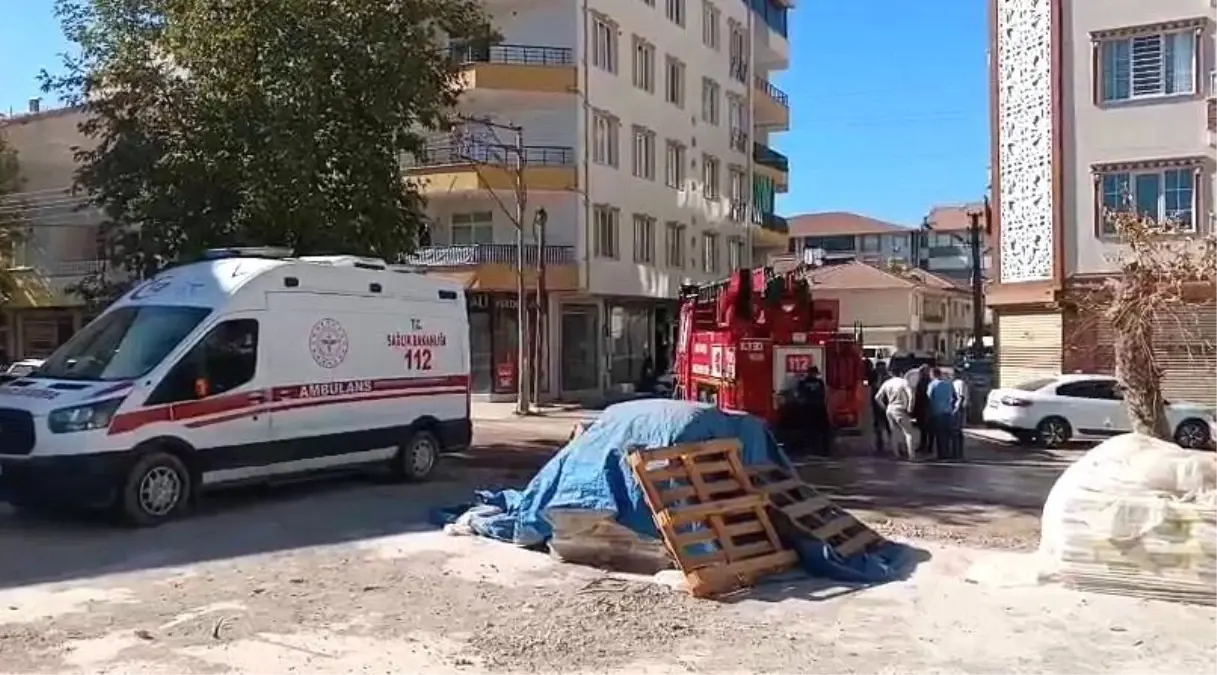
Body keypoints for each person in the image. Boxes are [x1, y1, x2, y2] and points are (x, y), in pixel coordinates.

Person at [875, 369, 917, 459]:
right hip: (901, 408)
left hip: (890, 409)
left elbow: (877, 397)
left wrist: (885, 407)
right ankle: (911, 455)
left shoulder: (887, 383)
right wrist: (910, 408)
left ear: (891, 373)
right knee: (908, 432)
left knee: (894, 433)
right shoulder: (904, 382)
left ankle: (896, 454)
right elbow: (911, 395)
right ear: (901, 373)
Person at [797, 365, 832, 456]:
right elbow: (823, 394)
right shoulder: (819, 382)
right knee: (822, 430)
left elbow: (800, 395)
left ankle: (813, 449)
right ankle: (823, 450)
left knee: (810, 430)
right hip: (818, 408)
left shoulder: (803, 383)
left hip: (810, 409)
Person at [926, 368, 956, 460]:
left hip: (937, 412)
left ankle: (941, 455)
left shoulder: (933, 384)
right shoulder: (948, 384)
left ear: (933, 374)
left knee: (939, 434)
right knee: (947, 434)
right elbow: (953, 397)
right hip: (948, 411)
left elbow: (929, 398)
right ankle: (948, 453)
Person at [909, 364, 932, 457]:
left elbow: (920, 395)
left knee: (925, 429)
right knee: (925, 429)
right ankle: (926, 446)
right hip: (924, 408)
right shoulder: (928, 381)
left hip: (923, 408)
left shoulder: (923, 381)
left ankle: (926, 446)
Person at [869, 361, 890, 454]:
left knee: (888, 425)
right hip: (878, 405)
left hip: (885, 405)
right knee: (879, 426)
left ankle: (893, 444)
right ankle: (880, 444)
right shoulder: (874, 377)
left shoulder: (887, 378)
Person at [949, 371, 970, 460]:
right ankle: (957, 453)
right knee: (957, 433)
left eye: (952, 375)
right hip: (957, 409)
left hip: (958, 409)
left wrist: (955, 410)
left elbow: (961, 397)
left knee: (956, 432)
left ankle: (957, 454)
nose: (950, 377)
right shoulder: (957, 383)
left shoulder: (959, 383)